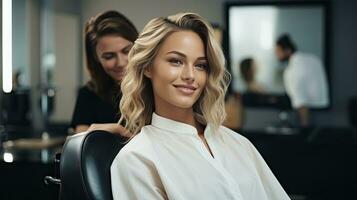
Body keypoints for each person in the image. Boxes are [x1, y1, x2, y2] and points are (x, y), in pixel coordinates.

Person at [110, 12, 290, 200]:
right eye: (176, 61)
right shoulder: (137, 159)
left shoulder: (238, 144)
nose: (190, 75)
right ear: (147, 67)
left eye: (201, 65)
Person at [71, 10, 138, 134]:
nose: (121, 63)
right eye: (109, 56)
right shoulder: (88, 94)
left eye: (126, 51)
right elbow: (81, 145)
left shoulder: (156, 88)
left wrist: (120, 131)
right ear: (96, 58)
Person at [275, 34, 329, 127]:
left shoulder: (291, 71)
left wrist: (304, 131)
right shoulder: (314, 59)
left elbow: (301, 102)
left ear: (287, 50)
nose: (276, 54)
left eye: (278, 51)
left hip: (306, 118)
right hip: (326, 117)